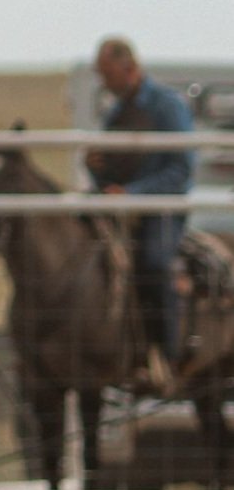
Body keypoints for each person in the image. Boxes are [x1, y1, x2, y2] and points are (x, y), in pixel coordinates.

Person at [85, 37, 196, 392]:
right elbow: (113, 166)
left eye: (108, 73)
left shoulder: (167, 106)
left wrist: (132, 193)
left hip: (161, 210)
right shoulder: (117, 112)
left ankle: (169, 352)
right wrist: (97, 169)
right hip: (121, 207)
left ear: (128, 69)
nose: (105, 82)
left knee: (153, 262)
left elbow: (181, 170)